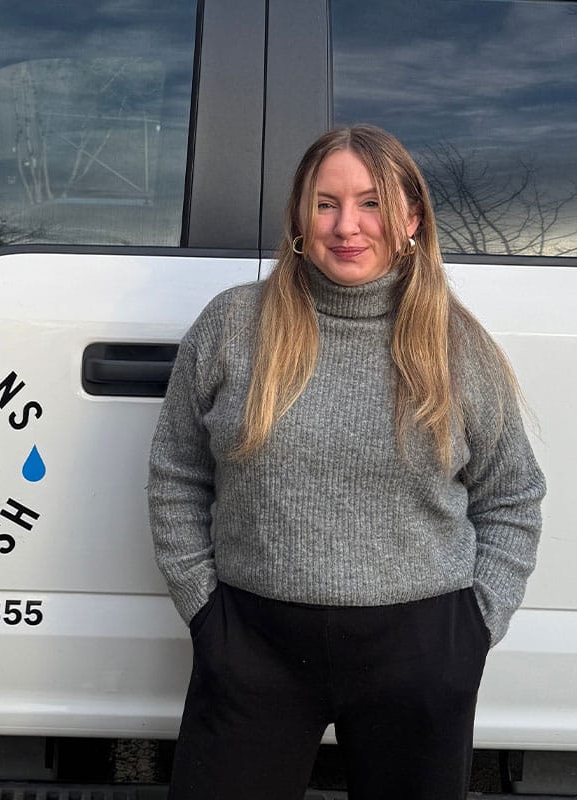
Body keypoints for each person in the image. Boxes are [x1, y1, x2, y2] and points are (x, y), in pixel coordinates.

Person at [147, 124, 546, 800]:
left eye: (371, 203)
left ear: (412, 218)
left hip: (422, 649)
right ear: (299, 216)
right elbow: (178, 474)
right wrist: (204, 610)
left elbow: (512, 495)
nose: (346, 227)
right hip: (252, 645)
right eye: (325, 203)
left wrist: (475, 627)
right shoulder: (233, 325)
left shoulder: (456, 345)